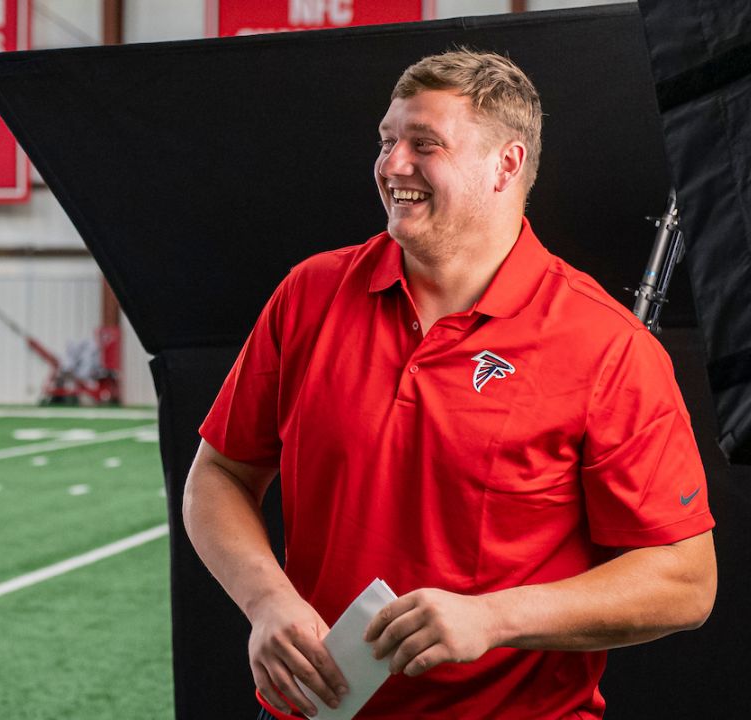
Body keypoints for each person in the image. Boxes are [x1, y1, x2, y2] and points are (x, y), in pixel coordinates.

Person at [182, 49, 717, 719]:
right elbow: (219, 477)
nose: (392, 165)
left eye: (423, 144)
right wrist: (268, 602)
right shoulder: (309, 295)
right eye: (386, 141)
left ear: (507, 164)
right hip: (309, 709)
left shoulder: (606, 344)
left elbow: (684, 581)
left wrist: (494, 618)